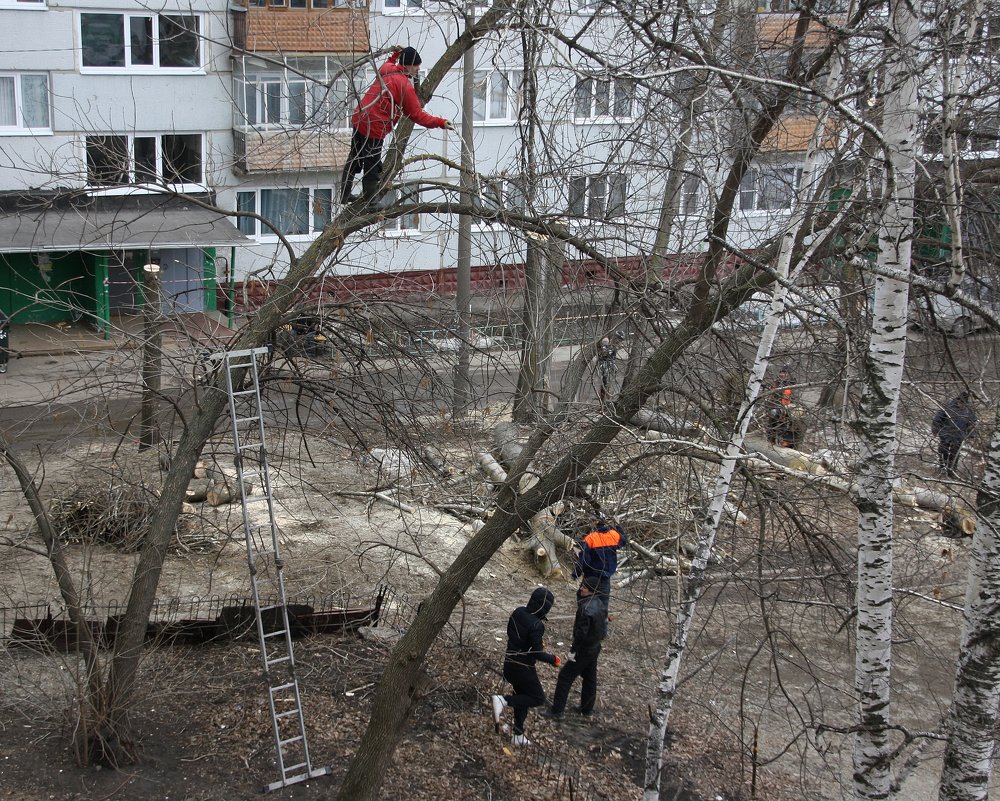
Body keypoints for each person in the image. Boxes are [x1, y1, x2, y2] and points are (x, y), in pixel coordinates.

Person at [340, 46, 452, 205]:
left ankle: (344, 194)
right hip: (374, 126)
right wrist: (440, 122)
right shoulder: (404, 85)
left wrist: (396, 54)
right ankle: (371, 203)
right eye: (416, 65)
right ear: (407, 65)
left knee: (355, 157)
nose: (418, 68)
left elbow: (390, 61)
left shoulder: (387, 68)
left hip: (360, 117)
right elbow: (417, 115)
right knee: (372, 166)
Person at [491, 587, 560, 746]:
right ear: (545, 608)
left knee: (521, 696)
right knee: (537, 698)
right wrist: (554, 659)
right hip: (523, 668)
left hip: (510, 663)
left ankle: (518, 734)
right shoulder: (537, 625)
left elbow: (512, 634)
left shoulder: (518, 611)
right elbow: (536, 652)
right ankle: (503, 701)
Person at [542, 575, 608, 720]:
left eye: (584, 587)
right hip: (595, 648)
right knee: (590, 678)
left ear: (591, 590)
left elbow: (581, 634)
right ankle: (587, 708)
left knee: (565, 677)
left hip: (583, 650)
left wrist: (573, 651)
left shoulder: (585, 609)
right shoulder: (601, 605)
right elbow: (603, 630)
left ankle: (557, 711)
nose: (581, 589)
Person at [572, 517, 627, 606]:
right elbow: (624, 540)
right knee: (603, 603)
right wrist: (618, 525)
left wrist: (576, 573)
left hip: (590, 577)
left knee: (582, 599)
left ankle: (583, 618)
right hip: (605, 577)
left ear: (595, 522)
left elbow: (585, 560)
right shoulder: (614, 535)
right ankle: (602, 618)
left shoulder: (590, 538)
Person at [932, 391, 977, 476]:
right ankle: (942, 469)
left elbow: (972, 423)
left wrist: (971, 435)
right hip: (946, 433)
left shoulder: (969, 410)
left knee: (954, 454)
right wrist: (935, 430)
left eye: (964, 403)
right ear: (957, 400)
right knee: (943, 452)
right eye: (961, 402)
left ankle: (951, 471)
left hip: (959, 436)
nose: (962, 404)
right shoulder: (948, 406)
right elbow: (938, 418)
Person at [764, 365, 795, 446]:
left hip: (787, 411)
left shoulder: (793, 385)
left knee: (787, 428)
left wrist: (786, 409)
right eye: (780, 372)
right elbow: (770, 397)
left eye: (784, 372)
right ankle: (771, 443)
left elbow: (795, 402)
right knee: (772, 426)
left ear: (788, 374)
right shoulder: (776, 384)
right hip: (774, 410)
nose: (781, 374)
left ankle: (786, 445)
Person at [597, 333, 622, 403]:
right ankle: (603, 399)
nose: (619, 342)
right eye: (618, 340)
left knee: (608, 383)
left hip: (609, 367)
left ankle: (607, 397)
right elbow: (604, 356)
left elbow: (612, 358)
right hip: (605, 367)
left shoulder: (613, 347)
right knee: (605, 383)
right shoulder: (606, 345)